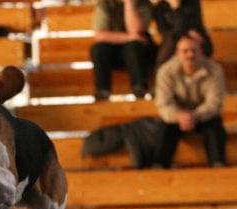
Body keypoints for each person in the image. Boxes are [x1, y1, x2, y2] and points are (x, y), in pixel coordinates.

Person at [154, 34, 227, 168]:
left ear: (201, 52)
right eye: (185, 51)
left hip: (204, 117)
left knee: (215, 127)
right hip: (176, 120)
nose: (190, 55)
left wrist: (194, 115)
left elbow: (214, 103)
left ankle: (218, 166)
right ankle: (158, 168)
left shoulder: (215, 70)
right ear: (177, 53)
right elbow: (164, 104)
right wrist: (178, 116)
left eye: (194, 50)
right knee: (163, 128)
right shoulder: (165, 72)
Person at [90, 0, 156, 100]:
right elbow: (99, 35)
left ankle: (139, 88)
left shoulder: (144, 3)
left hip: (139, 54)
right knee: (98, 48)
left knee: (133, 47)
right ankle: (103, 90)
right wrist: (129, 37)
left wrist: (129, 4)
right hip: (113, 54)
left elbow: (135, 30)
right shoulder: (105, 4)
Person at [152, 0, 212, 68]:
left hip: (195, 39)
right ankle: (160, 75)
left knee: (190, 44)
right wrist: (176, 7)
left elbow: (195, 29)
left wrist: (177, 8)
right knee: (171, 41)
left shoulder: (192, 2)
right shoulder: (160, 6)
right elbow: (164, 32)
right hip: (173, 42)